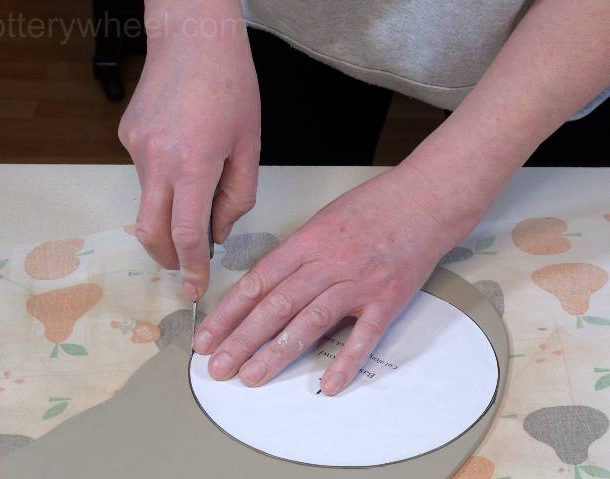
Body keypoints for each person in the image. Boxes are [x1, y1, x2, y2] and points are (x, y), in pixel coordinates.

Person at [118, 0, 610, 395]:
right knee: (276, 244)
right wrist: (186, 20)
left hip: (562, 49)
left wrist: (431, 200)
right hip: (278, 23)